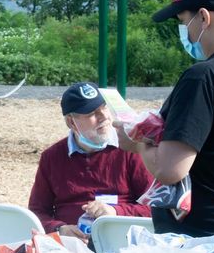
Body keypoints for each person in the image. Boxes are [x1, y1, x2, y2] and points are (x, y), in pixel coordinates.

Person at [117, 0, 214, 237]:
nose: (187, 33)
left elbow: (170, 169)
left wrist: (137, 141)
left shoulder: (203, 78)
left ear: (204, 18)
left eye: (185, 22)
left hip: (205, 246)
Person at [28, 82, 154, 241]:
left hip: (120, 243)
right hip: (69, 247)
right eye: (92, 113)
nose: (104, 117)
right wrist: (59, 229)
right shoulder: (51, 157)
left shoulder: (130, 149)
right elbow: (36, 212)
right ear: (71, 122)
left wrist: (116, 212)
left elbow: (156, 208)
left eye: (104, 107)